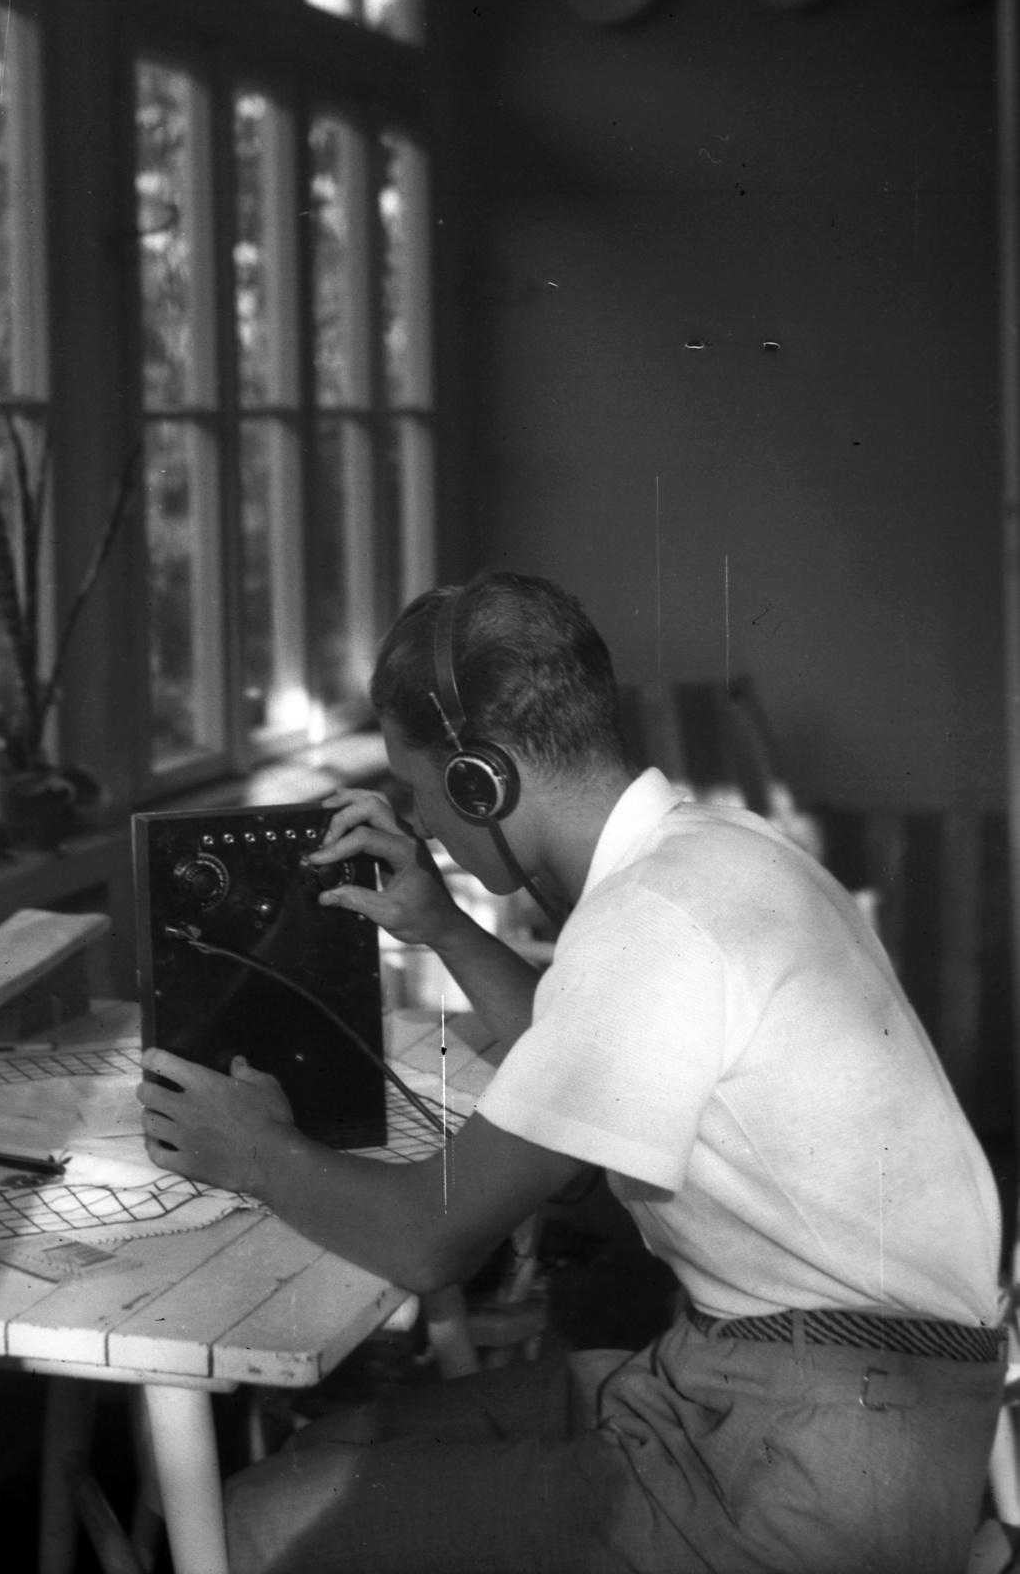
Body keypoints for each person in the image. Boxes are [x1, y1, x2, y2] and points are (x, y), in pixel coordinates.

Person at [137, 571, 1006, 1574]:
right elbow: (589, 1056)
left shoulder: (651, 920)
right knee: (332, 1450)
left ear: (482, 782)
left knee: (256, 1520)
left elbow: (429, 1238)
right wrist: (441, 924)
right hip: (823, 1395)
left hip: (815, 1462)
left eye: (421, 793)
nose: (419, 823)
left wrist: (256, 1152)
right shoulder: (715, 850)